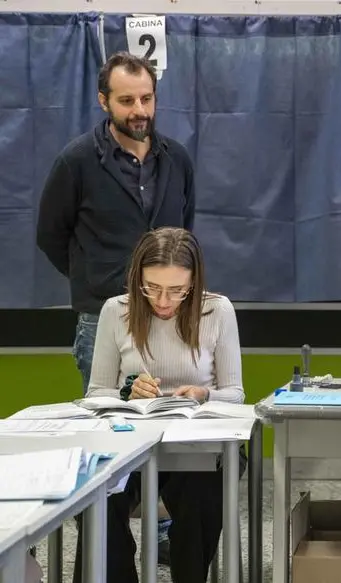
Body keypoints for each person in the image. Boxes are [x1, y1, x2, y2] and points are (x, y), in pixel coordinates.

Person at [35, 50, 196, 556]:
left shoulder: (177, 159)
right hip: (102, 321)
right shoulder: (77, 161)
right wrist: (95, 284)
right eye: (127, 100)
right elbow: (50, 236)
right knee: (111, 441)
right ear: (105, 101)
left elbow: (184, 234)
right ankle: (109, 554)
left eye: (146, 98)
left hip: (171, 320)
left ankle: (167, 536)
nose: (139, 109)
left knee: (173, 430)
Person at [72, 227, 244, 583]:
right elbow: (97, 394)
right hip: (130, 441)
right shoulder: (114, 311)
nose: (163, 301)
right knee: (94, 498)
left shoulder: (217, 310)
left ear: (194, 283)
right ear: (137, 279)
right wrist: (126, 393)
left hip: (197, 442)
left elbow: (235, 394)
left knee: (200, 497)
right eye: (152, 288)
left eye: (177, 291)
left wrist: (203, 394)